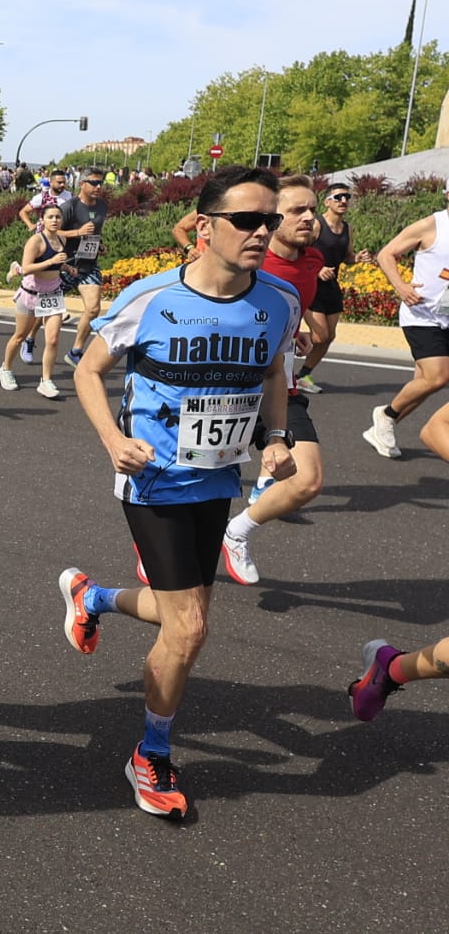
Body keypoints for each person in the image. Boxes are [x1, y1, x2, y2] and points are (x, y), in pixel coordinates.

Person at [59, 165, 298, 819]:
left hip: (217, 479)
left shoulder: (278, 301)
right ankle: (151, 757)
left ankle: (94, 595)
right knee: (189, 628)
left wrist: (275, 437)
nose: (261, 231)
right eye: (247, 220)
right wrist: (112, 440)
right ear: (204, 227)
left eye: (269, 220)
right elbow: (88, 369)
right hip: (154, 481)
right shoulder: (151, 298)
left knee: (179, 619)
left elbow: (275, 369)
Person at [217, 175, 328, 584]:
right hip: (221, 383)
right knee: (187, 478)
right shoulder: (246, 258)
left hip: (277, 381)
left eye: (312, 210)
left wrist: (293, 328)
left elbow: (285, 307)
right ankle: (157, 538)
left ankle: (236, 533)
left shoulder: (312, 262)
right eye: (297, 210)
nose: (309, 218)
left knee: (308, 480)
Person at [364, 188, 449, 459]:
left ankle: (385, 425)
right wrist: (401, 287)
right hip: (422, 314)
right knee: (438, 377)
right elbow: (386, 254)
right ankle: (385, 415)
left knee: (423, 381)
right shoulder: (430, 225)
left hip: (447, 315)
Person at [294, 182, 369, 392]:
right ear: (327, 202)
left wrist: (357, 258)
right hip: (312, 284)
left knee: (330, 337)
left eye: (347, 197)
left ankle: (303, 376)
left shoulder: (347, 228)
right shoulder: (317, 224)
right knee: (319, 336)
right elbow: (301, 253)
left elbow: (346, 257)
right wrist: (317, 270)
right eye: (338, 197)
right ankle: (285, 345)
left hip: (332, 286)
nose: (343, 201)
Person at [0, 203, 69, 396]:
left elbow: (58, 264)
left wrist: (66, 268)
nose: (54, 220)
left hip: (53, 293)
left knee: (53, 340)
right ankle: (5, 369)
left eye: (58, 217)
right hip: (31, 293)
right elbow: (28, 267)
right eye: (51, 217)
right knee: (20, 336)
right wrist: (51, 262)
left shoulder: (62, 239)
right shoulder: (36, 241)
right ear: (42, 220)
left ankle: (46, 381)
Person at [61, 168, 110, 367]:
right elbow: (53, 232)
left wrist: (100, 244)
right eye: (94, 183)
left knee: (93, 309)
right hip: (64, 265)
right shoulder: (69, 207)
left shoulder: (102, 207)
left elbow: (95, 232)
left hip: (88, 264)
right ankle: (28, 338)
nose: (99, 187)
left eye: (101, 183)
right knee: (41, 313)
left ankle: (76, 351)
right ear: (82, 184)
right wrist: (78, 232)